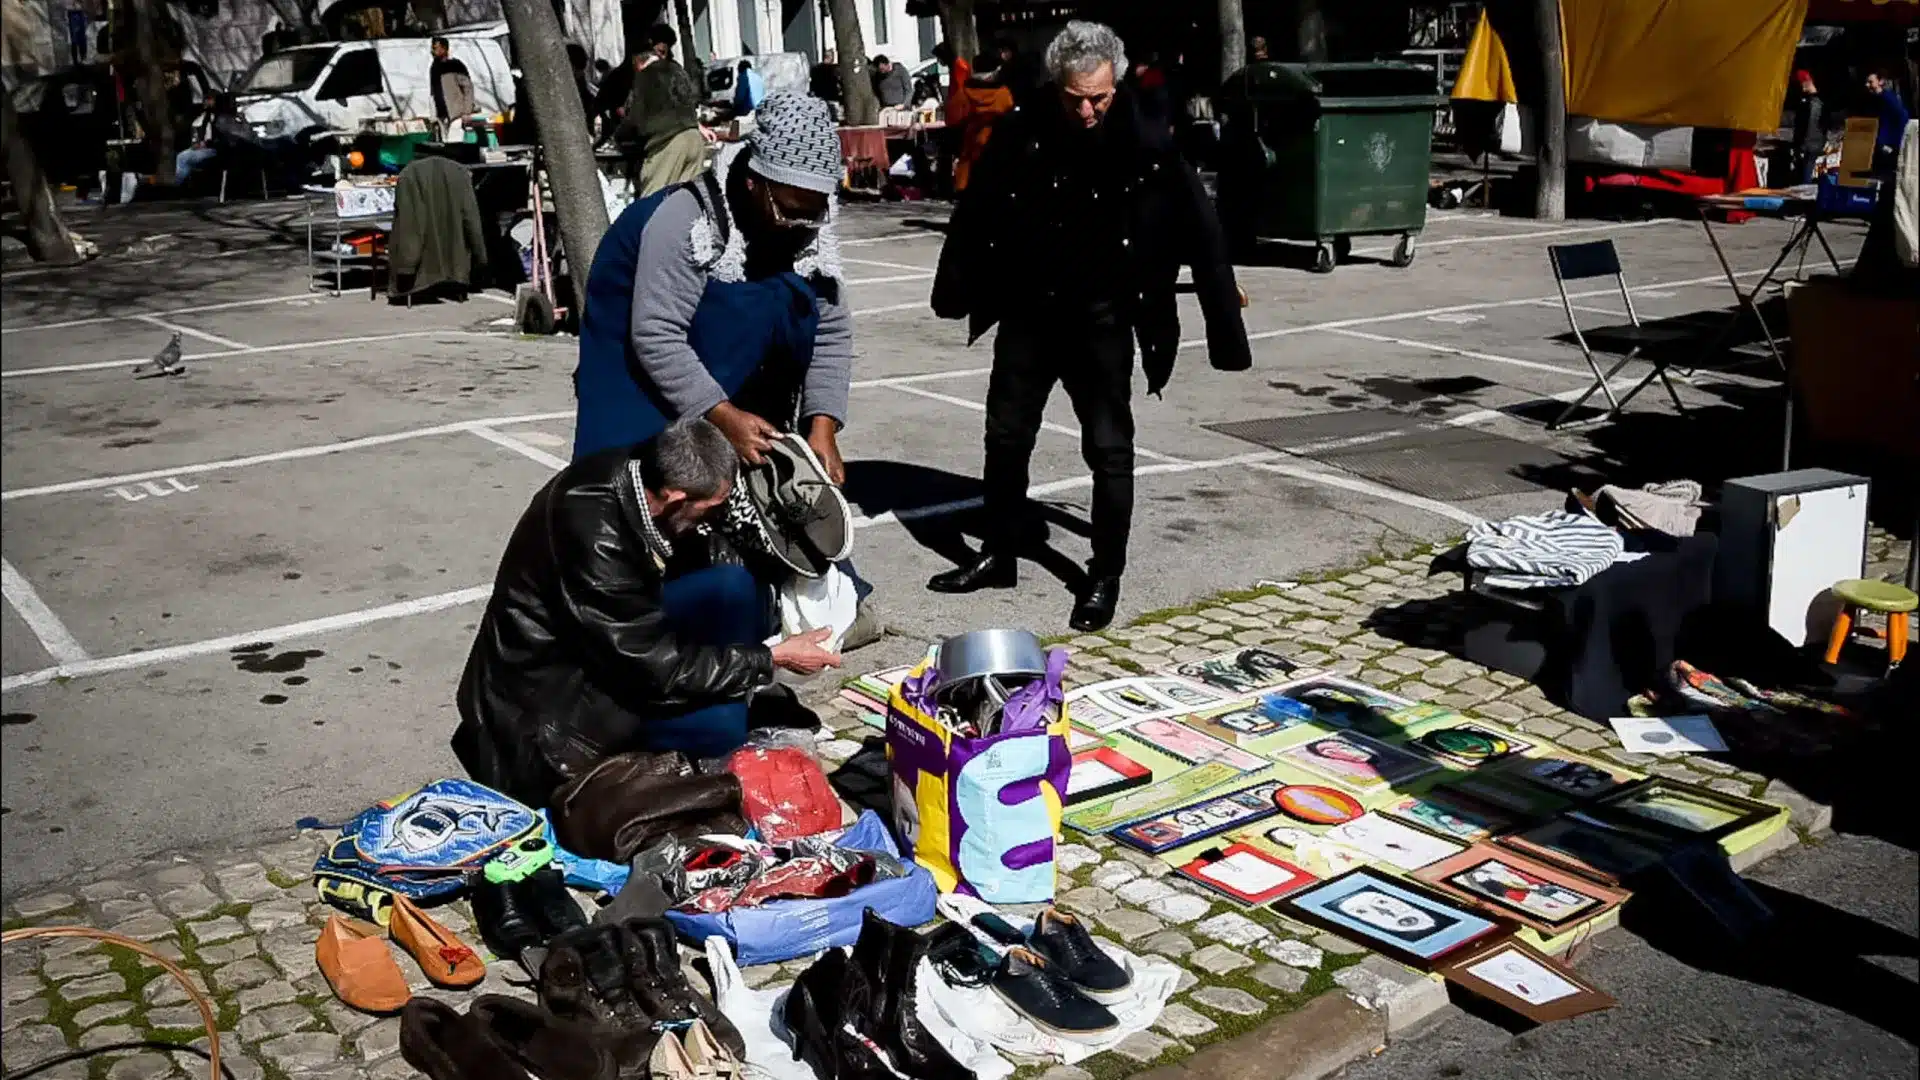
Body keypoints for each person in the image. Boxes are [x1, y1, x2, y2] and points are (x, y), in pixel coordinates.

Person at [929, 20, 1251, 632]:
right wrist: (954, 290)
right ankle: (999, 553)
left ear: (1116, 84)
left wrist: (1223, 328)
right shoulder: (1022, 129)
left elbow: (1202, 230)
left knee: (1108, 447)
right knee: (1005, 437)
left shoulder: (1147, 139)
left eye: (1098, 97)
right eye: (1075, 97)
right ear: (1058, 85)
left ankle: (1105, 573)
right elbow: (977, 211)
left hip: (1103, 320)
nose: (1087, 110)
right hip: (1029, 313)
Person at [452, 418, 843, 806]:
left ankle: (733, 694)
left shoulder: (640, 469)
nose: (713, 517)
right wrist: (772, 657)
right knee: (723, 727)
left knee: (731, 588)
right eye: (709, 509)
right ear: (674, 499)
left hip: (607, 637)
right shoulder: (595, 540)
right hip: (547, 702)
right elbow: (657, 667)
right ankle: (695, 742)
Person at [574, 90, 850, 482]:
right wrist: (722, 416)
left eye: (815, 212)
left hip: (736, 397)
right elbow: (657, 335)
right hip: (642, 399)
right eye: (790, 211)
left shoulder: (810, 226)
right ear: (755, 183)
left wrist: (822, 426)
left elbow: (830, 328)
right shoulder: (686, 221)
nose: (800, 225)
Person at [619, 25, 708, 196]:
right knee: (688, 199)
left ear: (639, 61)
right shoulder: (677, 69)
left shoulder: (645, 76)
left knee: (651, 203)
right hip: (693, 138)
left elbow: (635, 117)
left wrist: (620, 135)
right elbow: (688, 100)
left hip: (668, 144)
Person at [946, 51, 1013, 193]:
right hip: (1000, 144)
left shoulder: (964, 93)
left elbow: (953, 119)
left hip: (971, 144)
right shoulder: (1003, 92)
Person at [1865, 67, 1912, 170]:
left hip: (1889, 145)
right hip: (1881, 144)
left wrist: (1894, 142)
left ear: (1880, 82)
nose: (1867, 85)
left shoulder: (1888, 98)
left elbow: (1903, 116)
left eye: (1870, 82)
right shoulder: (1875, 99)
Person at [428, 37, 474, 140]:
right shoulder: (434, 67)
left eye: (436, 48)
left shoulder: (455, 65)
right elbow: (433, 91)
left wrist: (467, 111)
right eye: (433, 48)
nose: (433, 51)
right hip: (441, 115)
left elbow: (468, 88)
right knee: (446, 143)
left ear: (444, 49)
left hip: (456, 113)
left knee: (455, 141)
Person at [1791, 69, 1826, 182]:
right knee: (1805, 174)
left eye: (1798, 84)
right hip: (1810, 144)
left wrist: (1803, 145)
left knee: (1806, 176)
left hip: (1810, 146)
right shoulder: (1811, 101)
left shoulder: (1814, 103)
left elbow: (1811, 125)